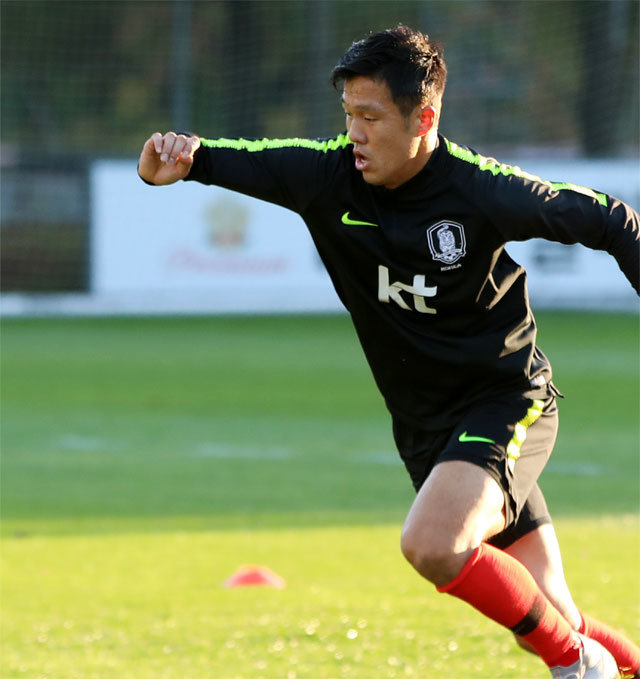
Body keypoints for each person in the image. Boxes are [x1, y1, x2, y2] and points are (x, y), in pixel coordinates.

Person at [138, 25, 640, 679]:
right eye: (348, 114)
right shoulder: (325, 178)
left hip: (504, 401)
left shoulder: (480, 190)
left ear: (424, 117)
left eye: (370, 116)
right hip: (423, 423)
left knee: (434, 544)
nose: (354, 132)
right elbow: (210, 159)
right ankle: (588, 650)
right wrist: (171, 162)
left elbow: (611, 220)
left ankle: (576, 665)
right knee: (550, 611)